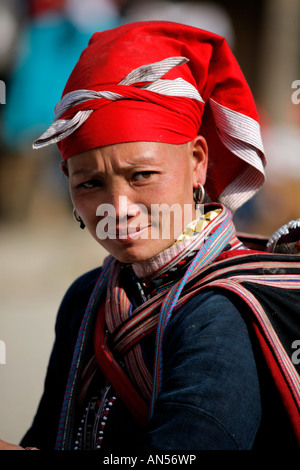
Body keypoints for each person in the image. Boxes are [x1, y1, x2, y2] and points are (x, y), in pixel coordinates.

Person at [2, 21, 300, 451]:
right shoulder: (87, 299)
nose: (118, 207)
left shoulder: (223, 312)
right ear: (66, 178)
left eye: (142, 175)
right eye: (89, 184)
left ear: (197, 161)